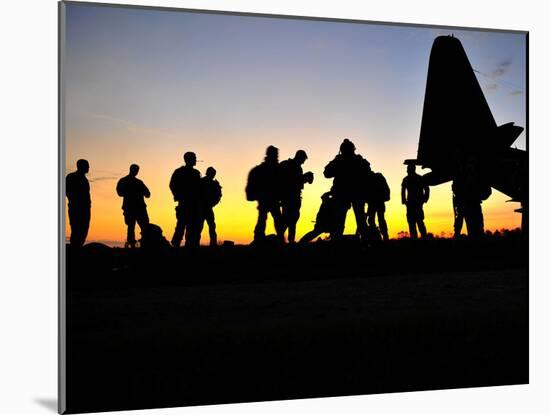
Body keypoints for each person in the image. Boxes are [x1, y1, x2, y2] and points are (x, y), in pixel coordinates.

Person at [323, 139, 371, 242]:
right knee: (360, 221)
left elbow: (326, 173)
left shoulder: (340, 160)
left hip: (343, 194)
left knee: (340, 222)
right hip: (355, 194)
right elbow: (368, 173)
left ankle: (337, 246)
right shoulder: (359, 160)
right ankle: (366, 244)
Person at [246, 145, 284, 242]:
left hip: (271, 199)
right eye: (275, 155)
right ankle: (260, 240)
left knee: (273, 221)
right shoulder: (264, 169)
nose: (277, 157)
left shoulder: (275, 169)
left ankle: (278, 239)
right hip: (266, 199)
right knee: (266, 220)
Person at [279, 150, 314, 243]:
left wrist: (306, 178)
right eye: (303, 160)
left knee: (293, 219)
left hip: (295, 198)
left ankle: (290, 240)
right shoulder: (289, 166)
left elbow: (298, 183)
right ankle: (280, 238)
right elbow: (291, 181)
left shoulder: (297, 167)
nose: (303, 162)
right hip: (288, 198)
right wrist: (305, 177)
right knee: (288, 219)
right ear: (299, 157)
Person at [452, 158, 491, 238]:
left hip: (471, 205)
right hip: (467, 206)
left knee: (476, 232)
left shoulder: (472, 175)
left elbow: (487, 191)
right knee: (476, 232)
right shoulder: (461, 175)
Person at [169, 152, 203, 248]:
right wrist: (179, 196)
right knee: (181, 225)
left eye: (195, 158)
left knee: (191, 227)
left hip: (194, 204)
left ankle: (189, 247)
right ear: (187, 159)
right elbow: (172, 185)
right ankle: (176, 245)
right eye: (194, 158)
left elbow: (199, 188)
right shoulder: (179, 172)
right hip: (184, 203)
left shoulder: (196, 173)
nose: (195, 160)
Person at [116, 164, 151, 248]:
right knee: (133, 226)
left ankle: (142, 243)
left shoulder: (137, 182)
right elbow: (120, 193)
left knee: (141, 226)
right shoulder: (129, 181)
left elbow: (148, 194)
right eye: (136, 170)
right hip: (132, 208)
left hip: (138, 208)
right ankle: (133, 244)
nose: (136, 172)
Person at [66, 159, 91, 247]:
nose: (88, 167)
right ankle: (75, 249)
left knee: (84, 229)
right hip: (76, 208)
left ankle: (78, 247)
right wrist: (75, 202)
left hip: (85, 209)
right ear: (81, 166)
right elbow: (67, 191)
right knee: (76, 229)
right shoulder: (71, 177)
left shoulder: (85, 180)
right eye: (87, 165)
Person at [401, 163, 429, 239]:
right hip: (412, 204)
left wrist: (425, 199)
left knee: (417, 222)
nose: (407, 171)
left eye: (408, 169)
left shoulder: (410, 179)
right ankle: (418, 240)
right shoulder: (417, 178)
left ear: (411, 169)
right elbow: (403, 191)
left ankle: (421, 239)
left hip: (415, 204)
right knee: (414, 223)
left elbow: (426, 188)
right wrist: (404, 201)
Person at [200, 167, 222, 246]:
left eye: (213, 174)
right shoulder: (201, 182)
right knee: (199, 227)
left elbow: (218, 196)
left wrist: (211, 204)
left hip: (208, 208)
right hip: (201, 208)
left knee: (212, 226)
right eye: (212, 173)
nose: (213, 175)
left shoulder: (214, 184)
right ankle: (195, 245)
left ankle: (213, 244)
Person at [366, 171, 390, 241]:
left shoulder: (371, 178)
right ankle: (381, 237)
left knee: (375, 220)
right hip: (376, 203)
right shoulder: (378, 177)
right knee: (378, 219)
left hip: (375, 202)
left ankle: (380, 237)